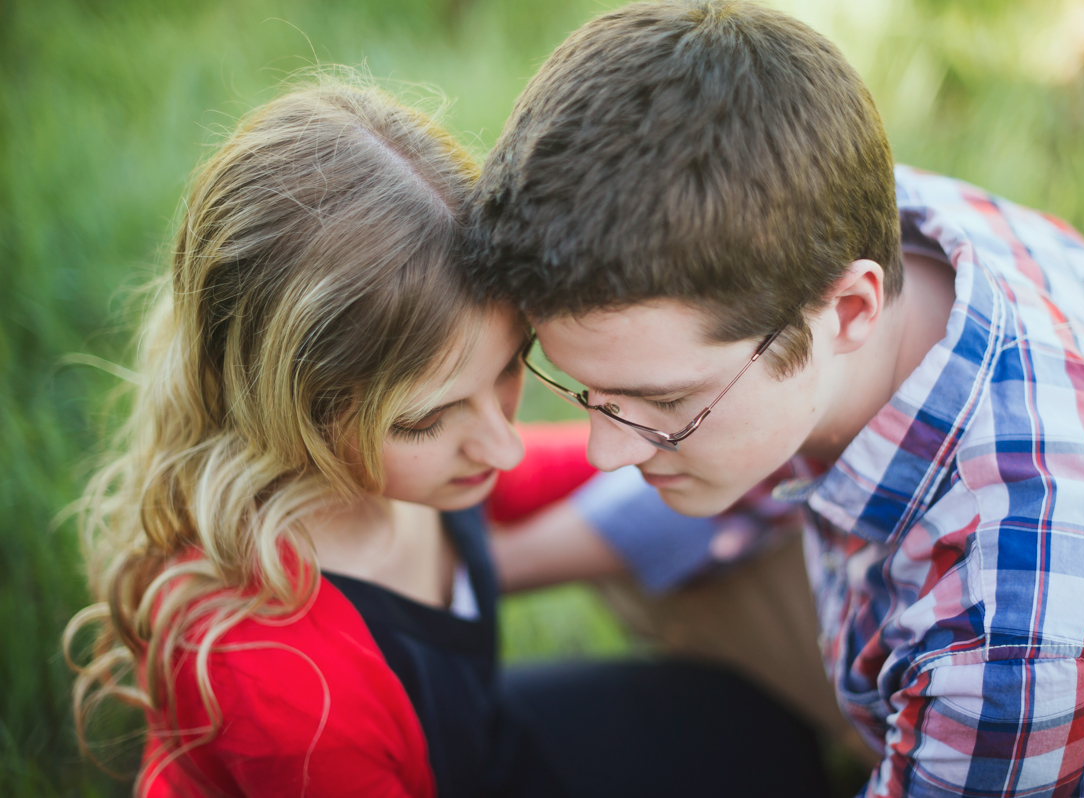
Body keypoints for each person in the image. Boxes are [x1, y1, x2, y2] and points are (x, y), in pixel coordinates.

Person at [466, 2, 1084, 796]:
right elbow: (751, 439)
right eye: (584, 387)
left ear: (850, 308)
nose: (605, 449)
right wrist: (486, 575)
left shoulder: (1020, 638)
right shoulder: (846, 223)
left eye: (668, 401)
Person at [63, 77, 828, 798]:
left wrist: (753, 436)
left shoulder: (403, 463)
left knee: (766, 740)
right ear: (289, 409)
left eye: (508, 370)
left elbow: (550, 470)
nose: (500, 445)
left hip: (471, 750)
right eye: (427, 419)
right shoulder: (288, 684)